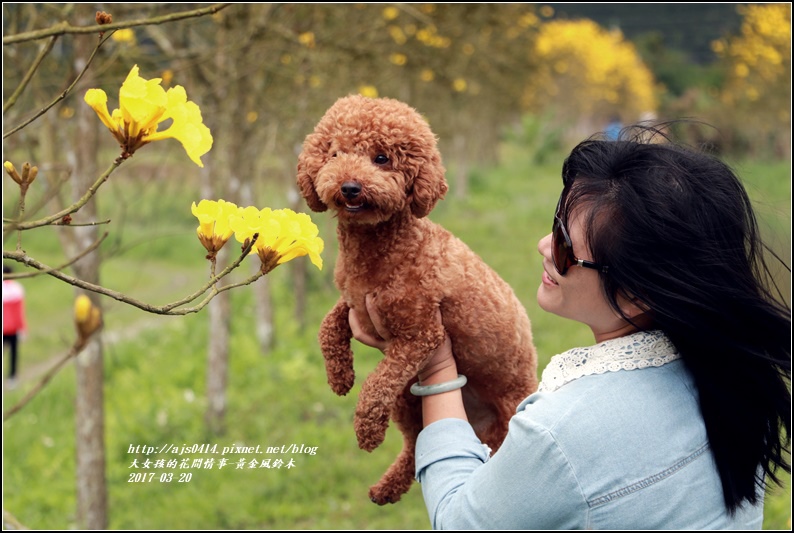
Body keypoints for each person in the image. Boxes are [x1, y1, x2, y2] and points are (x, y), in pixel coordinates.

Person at [349, 126, 791, 529]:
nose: (544, 246)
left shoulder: (560, 433)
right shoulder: (736, 375)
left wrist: (436, 366)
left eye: (565, 247)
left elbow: (459, 520)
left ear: (643, 289)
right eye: (555, 224)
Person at [3, 264, 27, 388]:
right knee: (13, 354)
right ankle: (12, 378)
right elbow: (19, 313)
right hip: (13, 329)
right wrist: (22, 329)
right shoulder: (17, 288)